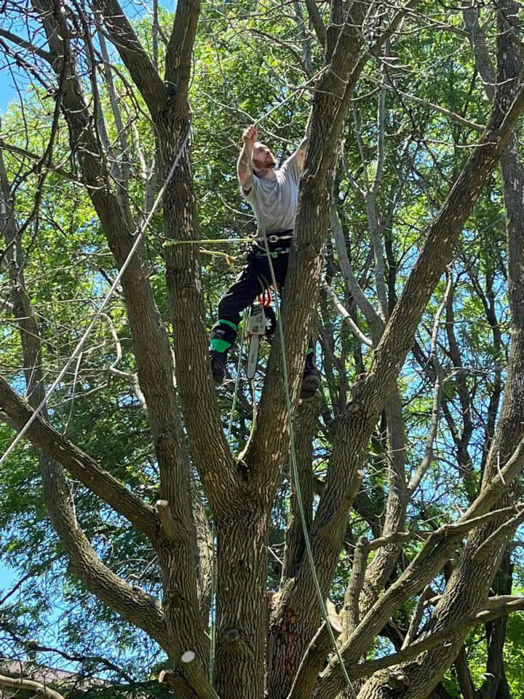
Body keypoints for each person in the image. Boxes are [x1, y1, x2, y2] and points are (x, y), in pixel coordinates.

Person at [209, 124, 319, 397]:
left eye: (265, 148)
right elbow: (243, 172)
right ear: (255, 163)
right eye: (260, 151)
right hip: (264, 254)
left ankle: (306, 369)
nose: (266, 150)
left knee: (299, 308)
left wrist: (318, 94)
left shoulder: (289, 172)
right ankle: (217, 358)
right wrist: (247, 145)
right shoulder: (253, 185)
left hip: (294, 252)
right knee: (230, 303)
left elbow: (309, 143)